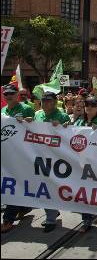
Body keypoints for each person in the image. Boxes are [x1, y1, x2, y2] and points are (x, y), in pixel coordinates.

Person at [23, 91, 71, 232]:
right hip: (38, 156)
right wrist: (28, 123)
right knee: (42, 185)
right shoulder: (37, 114)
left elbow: (69, 134)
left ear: (55, 102)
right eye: (43, 101)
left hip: (55, 157)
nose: (45, 103)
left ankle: (50, 219)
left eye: (49, 101)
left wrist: (63, 126)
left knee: (51, 186)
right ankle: (52, 211)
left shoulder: (62, 116)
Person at [1, 84, 36, 233]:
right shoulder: (3, 110)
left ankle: (8, 219)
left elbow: (35, 128)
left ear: (17, 95)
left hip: (22, 153)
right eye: (6, 94)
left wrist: (29, 122)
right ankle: (25, 206)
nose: (8, 96)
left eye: (11, 93)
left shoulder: (26, 108)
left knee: (12, 186)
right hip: (7, 154)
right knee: (11, 184)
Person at [73, 96, 97, 232]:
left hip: (95, 163)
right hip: (80, 163)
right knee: (83, 193)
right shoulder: (78, 121)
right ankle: (86, 220)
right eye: (87, 105)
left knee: (96, 190)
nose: (89, 107)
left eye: (92, 105)